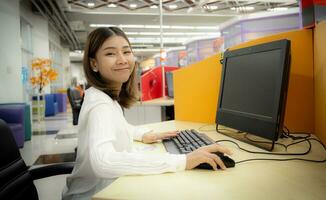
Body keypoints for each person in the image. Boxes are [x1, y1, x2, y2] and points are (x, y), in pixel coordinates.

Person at [62, 27, 232, 200]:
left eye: (126, 51)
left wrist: (144, 135)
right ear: (93, 64)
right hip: (92, 195)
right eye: (110, 54)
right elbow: (103, 161)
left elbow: (119, 127)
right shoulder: (100, 105)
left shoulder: (103, 97)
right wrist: (183, 161)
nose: (122, 60)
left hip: (108, 188)